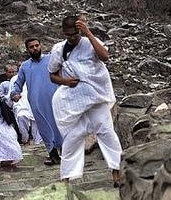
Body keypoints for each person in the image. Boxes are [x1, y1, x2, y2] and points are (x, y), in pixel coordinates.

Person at [48, 15, 122, 187]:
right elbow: (52, 75)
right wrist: (66, 81)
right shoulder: (59, 49)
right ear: (64, 33)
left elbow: (105, 57)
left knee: (106, 132)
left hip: (96, 98)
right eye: (68, 35)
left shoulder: (90, 42)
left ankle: (117, 172)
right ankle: (66, 178)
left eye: (75, 34)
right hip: (75, 101)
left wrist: (88, 33)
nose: (72, 38)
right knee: (73, 137)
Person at [10, 38, 62, 165]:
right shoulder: (25, 66)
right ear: (27, 49)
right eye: (32, 47)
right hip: (37, 103)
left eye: (37, 45)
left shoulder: (51, 59)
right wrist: (14, 93)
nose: (35, 48)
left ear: (40, 46)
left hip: (56, 99)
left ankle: (66, 153)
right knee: (44, 129)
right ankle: (53, 155)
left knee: (60, 125)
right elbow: (18, 84)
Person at [8, 67, 42, 145]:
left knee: (37, 123)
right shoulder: (14, 79)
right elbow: (11, 92)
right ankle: (25, 139)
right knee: (21, 116)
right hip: (21, 104)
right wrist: (13, 98)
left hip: (34, 104)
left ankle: (38, 143)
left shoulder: (35, 76)